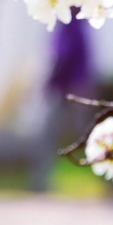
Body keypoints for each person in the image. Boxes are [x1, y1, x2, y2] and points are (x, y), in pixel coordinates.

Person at [30, 12, 95, 192]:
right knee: (89, 135)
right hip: (76, 86)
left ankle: (39, 182)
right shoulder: (79, 24)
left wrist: (50, 81)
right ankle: (39, 181)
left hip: (65, 88)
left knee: (49, 136)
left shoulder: (69, 24)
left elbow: (62, 55)